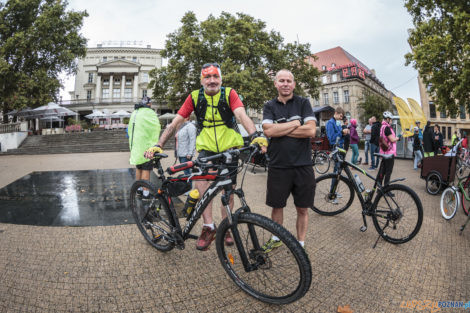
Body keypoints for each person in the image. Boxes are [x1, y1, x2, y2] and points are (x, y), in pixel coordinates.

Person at [144, 63, 265, 251]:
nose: (212, 81)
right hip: (207, 150)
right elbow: (175, 122)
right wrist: (159, 144)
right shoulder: (194, 97)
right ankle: (208, 227)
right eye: (207, 77)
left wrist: (255, 135)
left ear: (221, 79)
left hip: (230, 149)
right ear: (202, 81)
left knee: (229, 191)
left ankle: (226, 226)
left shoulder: (229, 93)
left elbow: (241, 115)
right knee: (202, 188)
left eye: (215, 76)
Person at [261, 69, 316, 251]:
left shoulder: (303, 103)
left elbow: (310, 131)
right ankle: (276, 238)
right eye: (281, 81)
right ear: (275, 83)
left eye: (289, 81)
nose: (285, 84)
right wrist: (294, 124)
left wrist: (279, 128)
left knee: (303, 209)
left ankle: (300, 244)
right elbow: (268, 131)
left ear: (294, 84)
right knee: (277, 207)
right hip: (278, 166)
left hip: (303, 166)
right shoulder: (269, 106)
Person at [128, 96, 161, 197]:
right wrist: (154, 144)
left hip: (136, 147)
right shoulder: (149, 112)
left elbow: (130, 129)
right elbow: (156, 127)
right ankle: (145, 193)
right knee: (146, 169)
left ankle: (138, 190)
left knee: (139, 168)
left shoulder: (135, 113)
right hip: (146, 146)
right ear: (149, 104)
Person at [378, 111, 399, 188]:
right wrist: (398, 137)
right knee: (388, 172)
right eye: (391, 119)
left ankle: (379, 187)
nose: (391, 121)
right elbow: (392, 139)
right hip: (389, 153)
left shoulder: (382, 127)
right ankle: (386, 189)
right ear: (387, 119)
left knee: (382, 171)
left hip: (384, 152)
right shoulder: (387, 127)